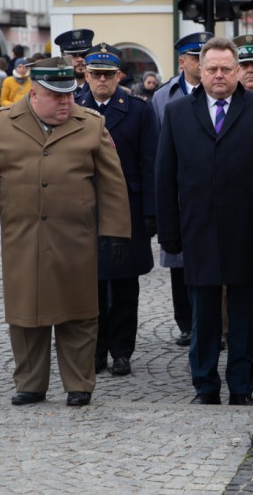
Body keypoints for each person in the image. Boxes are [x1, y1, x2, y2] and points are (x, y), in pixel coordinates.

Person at [0, 57, 130, 407]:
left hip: (75, 239)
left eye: (68, 94)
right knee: (26, 313)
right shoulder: (0, 124)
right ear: (34, 93)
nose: (66, 102)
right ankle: (30, 383)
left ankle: (79, 383)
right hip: (23, 237)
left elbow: (113, 182)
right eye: (56, 95)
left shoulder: (91, 124)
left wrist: (116, 230)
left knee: (79, 312)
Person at [156, 36, 253, 406]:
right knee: (203, 313)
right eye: (212, 69)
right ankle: (205, 385)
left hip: (247, 228)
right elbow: (165, 175)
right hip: (198, 228)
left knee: (243, 313)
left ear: (236, 71)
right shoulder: (177, 112)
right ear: (199, 71)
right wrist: (169, 233)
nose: (219, 75)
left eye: (226, 69)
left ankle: (241, 386)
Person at [82, 43, 159, 377]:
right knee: (92, 283)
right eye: (96, 74)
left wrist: (151, 211)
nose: (102, 80)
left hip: (128, 206)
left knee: (125, 284)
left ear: (118, 77)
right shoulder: (75, 106)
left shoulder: (139, 110)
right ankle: (96, 349)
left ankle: (122, 351)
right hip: (86, 208)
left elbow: (150, 162)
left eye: (108, 75)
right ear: (86, 76)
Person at [151, 31, 214, 347]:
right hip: (176, 190)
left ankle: (212, 322)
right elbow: (157, 149)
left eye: (205, 58)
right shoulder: (164, 96)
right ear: (182, 62)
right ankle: (186, 322)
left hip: (209, 188)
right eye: (194, 58)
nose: (200, 63)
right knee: (178, 262)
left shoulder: (220, 93)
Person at [53, 28, 94, 105]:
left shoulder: (99, 88)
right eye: (74, 55)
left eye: (84, 55)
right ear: (63, 57)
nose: (80, 59)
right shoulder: (56, 88)